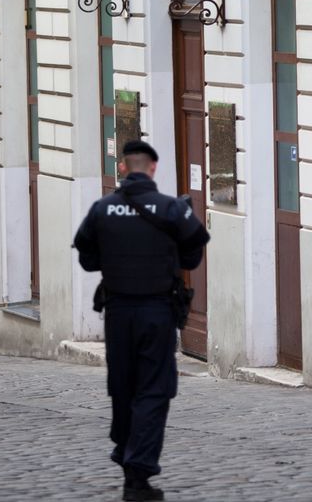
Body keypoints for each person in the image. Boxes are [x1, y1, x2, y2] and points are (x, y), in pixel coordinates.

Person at [73, 140, 210, 502]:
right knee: (153, 389)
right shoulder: (170, 209)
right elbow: (194, 254)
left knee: (122, 386)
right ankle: (138, 471)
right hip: (157, 313)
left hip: (118, 313)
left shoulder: (102, 209)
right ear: (152, 168)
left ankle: (126, 454)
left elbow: (86, 258)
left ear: (122, 168)